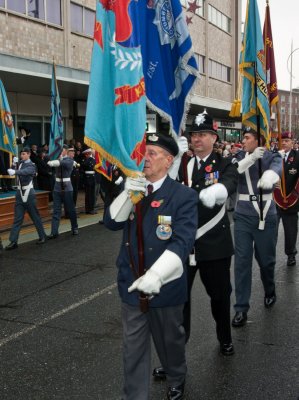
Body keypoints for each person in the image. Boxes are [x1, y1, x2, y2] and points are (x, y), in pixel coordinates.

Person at [104, 133, 198, 400]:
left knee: (170, 343)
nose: (144, 158)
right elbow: (111, 223)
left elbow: (182, 241)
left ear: (169, 161)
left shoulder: (183, 195)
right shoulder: (132, 187)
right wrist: (126, 193)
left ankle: (176, 376)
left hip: (165, 287)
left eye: (153, 153)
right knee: (132, 350)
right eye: (143, 152)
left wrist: (157, 274)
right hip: (132, 284)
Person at [166, 111, 238, 358]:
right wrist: (173, 162)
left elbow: (231, 180)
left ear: (214, 138)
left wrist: (219, 189)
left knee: (219, 297)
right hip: (184, 245)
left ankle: (224, 337)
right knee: (178, 301)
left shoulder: (223, 163)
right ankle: (175, 353)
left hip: (214, 243)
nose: (197, 139)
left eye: (203, 134)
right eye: (194, 134)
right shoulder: (182, 163)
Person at [231, 127, 282, 328]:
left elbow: (277, 167)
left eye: (247, 138)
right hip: (243, 214)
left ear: (258, 140)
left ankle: (269, 289)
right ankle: (241, 308)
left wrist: (270, 175)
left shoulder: (271, 155)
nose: (243, 141)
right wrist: (251, 158)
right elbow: (234, 171)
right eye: (243, 137)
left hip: (265, 214)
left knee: (266, 261)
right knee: (242, 263)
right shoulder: (239, 156)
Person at [5, 147, 47, 250]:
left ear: (29, 154)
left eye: (24, 154)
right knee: (17, 218)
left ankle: (42, 236)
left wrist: (15, 171)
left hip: (29, 193)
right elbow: (12, 170)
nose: (22, 156)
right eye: (21, 154)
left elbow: (25, 172)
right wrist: (13, 164)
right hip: (19, 193)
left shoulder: (32, 165)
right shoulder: (20, 163)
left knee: (35, 216)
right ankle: (13, 241)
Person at [274, 131, 299, 266]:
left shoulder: (297, 157)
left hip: (291, 201)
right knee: (271, 230)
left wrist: (293, 195)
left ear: (292, 142)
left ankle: (291, 254)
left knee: (290, 231)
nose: (284, 143)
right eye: (282, 141)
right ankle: (269, 254)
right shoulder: (274, 157)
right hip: (274, 201)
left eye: (287, 140)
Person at [47, 145, 78, 238]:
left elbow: (61, 163)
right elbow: (51, 160)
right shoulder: (58, 158)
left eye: (63, 150)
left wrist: (53, 162)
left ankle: (75, 227)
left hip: (67, 188)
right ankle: (54, 231)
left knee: (70, 210)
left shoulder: (69, 160)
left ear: (66, 151)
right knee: (56, 210)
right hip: (57, 188)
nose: (61, 151)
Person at [82, 148, 96, 214]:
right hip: (87, 178)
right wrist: (89, 158)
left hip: (92, 177)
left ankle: (92, 208)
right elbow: (84, 166)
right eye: (91, 153)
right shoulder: (86, 160)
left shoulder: (93, 160)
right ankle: (88, 209)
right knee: (88, 194)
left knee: (92, 194)